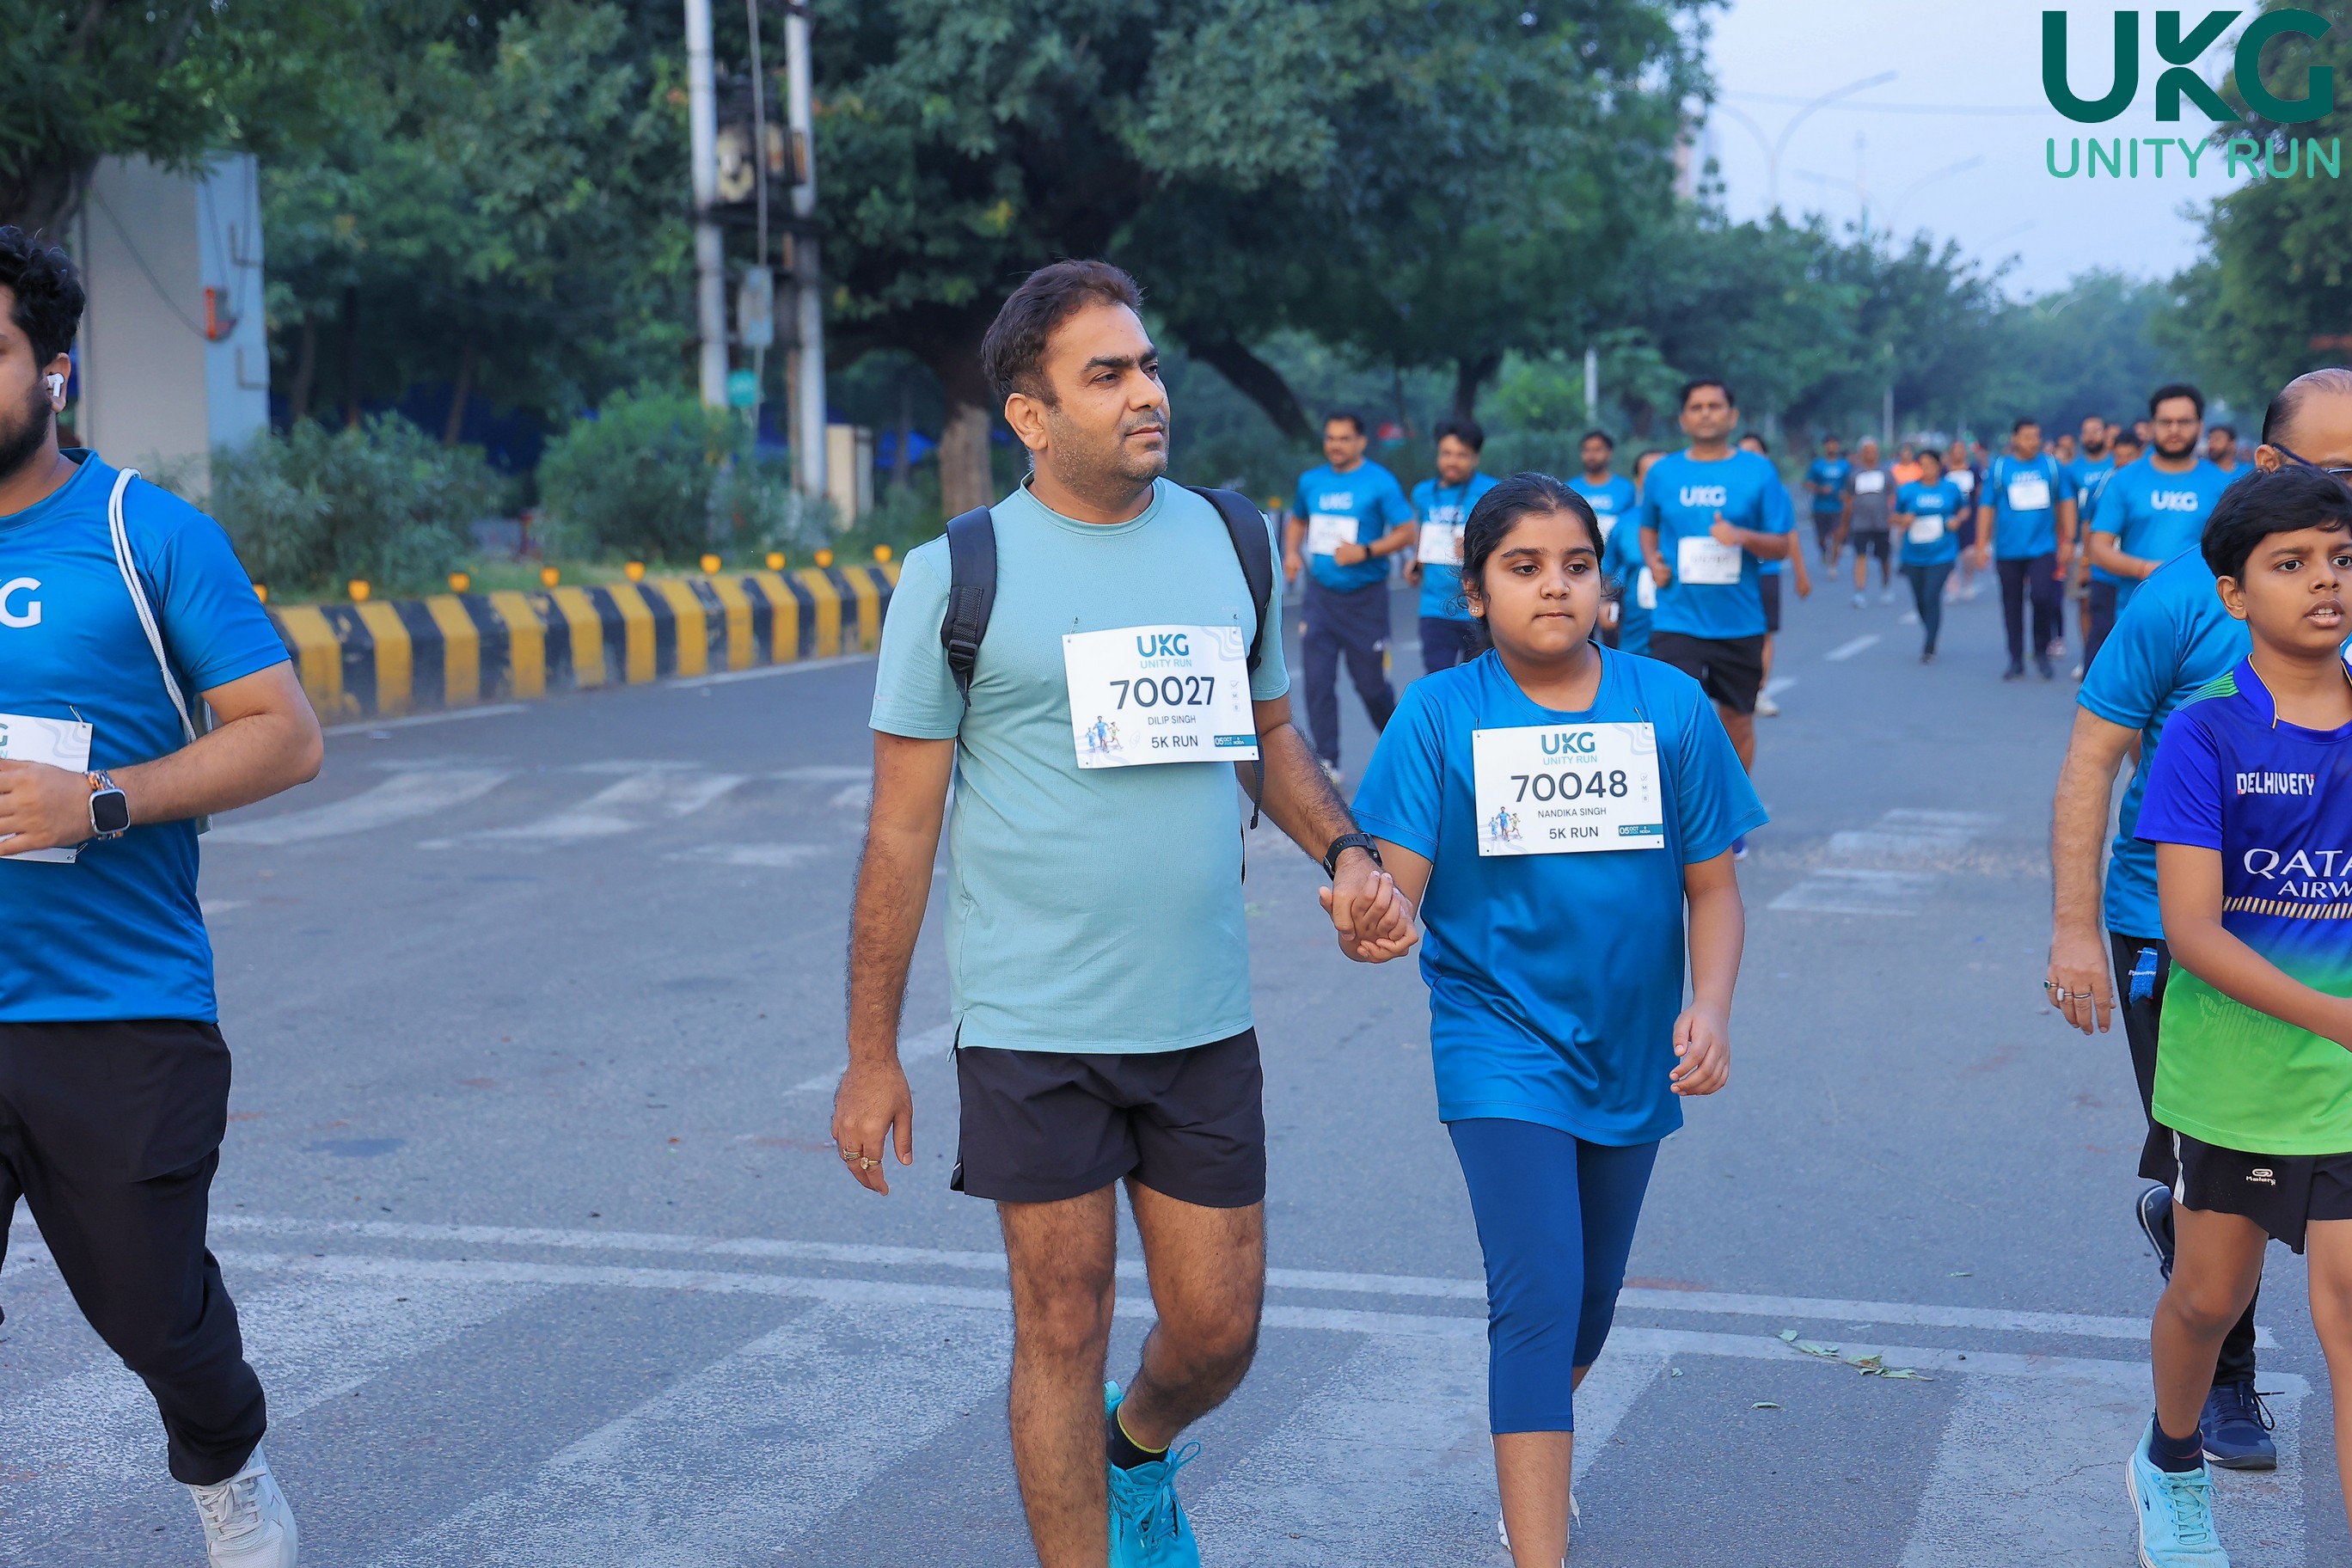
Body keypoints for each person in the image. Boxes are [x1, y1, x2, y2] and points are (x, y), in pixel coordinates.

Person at [835, 260, 1415, 1568]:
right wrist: (873, 1054)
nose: (1147, 392)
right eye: (1107, 375)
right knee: (1060, 1322)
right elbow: (901, 833)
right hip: (1033, 1022)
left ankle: (1134, 1450)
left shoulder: (1231, 540)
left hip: (1199, 1013)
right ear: (1031, 416)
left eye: (1147, 365)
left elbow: (1270, 734)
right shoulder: (959, 574)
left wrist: (1346, 853)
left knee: (1217, 1332)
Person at [1349, 474, 1758, 1568]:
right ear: (1475, 591)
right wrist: (1370, 917)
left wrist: (1711, 1007)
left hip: (1632, 1051)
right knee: (1535, 1299)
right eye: (1523, 568)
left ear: (1605, 584)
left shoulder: (1669, 705)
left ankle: (1537, 1450)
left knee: (1588, 1307)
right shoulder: (1440, 713)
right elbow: (1395, 891)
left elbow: (1714, 888)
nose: (1554, 587)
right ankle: (1538, 1542)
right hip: (1496, 1044)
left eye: (1576, 565)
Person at [0, 228, 322, 1566]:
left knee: (152, 1310)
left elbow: (283, 735)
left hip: (112, 1006)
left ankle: (228, 1464)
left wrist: (100, 801)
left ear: (52, 374)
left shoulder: (145, 535)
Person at [2045, 369, 2352, 1479]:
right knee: (2223, 1240)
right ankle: (2217, 1385)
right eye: (2338, 467)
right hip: (2182, 945)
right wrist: (2074, 930)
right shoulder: (2181, 601)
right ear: (2271, 466)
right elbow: (2093, 759)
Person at [2125, 462, 2352, 1567]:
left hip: (2346, 1085)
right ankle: (2170, 1462)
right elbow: (2195, 932)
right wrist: (2340, 1017)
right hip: (2237, 1077)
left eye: (2343, 560)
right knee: (2210, 1299)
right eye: (2292, 563)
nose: (2326, 582)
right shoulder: (2204, 733)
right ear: (2233, 592)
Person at [1637, 380, 1792, 861]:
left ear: (1732, 415)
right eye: (1696, 407)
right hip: (1677, 619)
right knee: (1669, 723)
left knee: (1738, 722)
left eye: (1714, 406)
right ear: (1683, 419)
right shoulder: (1663, 473)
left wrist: (1742, 536)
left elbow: (1781, 544)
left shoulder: (1758, 471)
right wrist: (1654, 561)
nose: (1706, 414)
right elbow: (1648, 529)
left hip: (1738, 623)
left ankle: (1728, 818)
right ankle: (1676, 816)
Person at [1285, 413, 1417, 777]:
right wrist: (1292, 552)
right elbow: (1298, 520)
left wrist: (1366, 551)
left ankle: (1405, 752)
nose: (1336, 445)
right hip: (1320, 597)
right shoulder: (1311, 481)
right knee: (1317, 682)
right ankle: (1328, 762)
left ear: (1361, 442)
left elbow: (1406, 531)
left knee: (1372, 687)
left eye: (1344, 439)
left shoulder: (1379, 481)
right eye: (1330, 438)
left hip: (1365, 600)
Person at [2090, 385, 2237, 626]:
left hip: (2205, 616)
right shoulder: (2124, 480)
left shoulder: (2223, 485)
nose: (2174, 430)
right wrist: (2144, 569)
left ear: (2200, 426)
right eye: (2166, 422)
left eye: (2184, 422)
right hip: (2138, 614)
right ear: (2152, 426)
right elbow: (2099, 549)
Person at [1973, 417, 2078, 680]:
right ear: (2015, 439)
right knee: (2012, 603)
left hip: (2043, 547)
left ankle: (2041, 652)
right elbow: (1986, 507)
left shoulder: (2052, 467)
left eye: (2037, 436)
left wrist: (2069, 540)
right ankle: (2015, 658)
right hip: (2008, 550)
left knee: (2042, 597)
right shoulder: (2000, 469)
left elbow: (2066, 502)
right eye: (2028, 437)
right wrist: (1981, 545)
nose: (2034, 442)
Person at [1407, 420, 1498, 676]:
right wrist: (1415, 562)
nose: (1452, 461)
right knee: (1437, 680)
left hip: (1478, 608)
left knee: (1479, 681)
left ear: (1475, 458)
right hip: (1434, 606)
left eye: (1461, 455)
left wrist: (1475, 549)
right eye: (1446, 453)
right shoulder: (1423, 493)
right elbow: (1422, 532)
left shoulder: (1492, 492)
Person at [1738, 432, 1807, 716]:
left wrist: (1801, 573)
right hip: (1731, 576)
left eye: (1754, 451)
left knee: (1765, 633)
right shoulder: (1726, 488)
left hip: (1766, 570)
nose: (1749, 457)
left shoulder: (1777, 491)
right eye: (1742, 452)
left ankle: (1760, 691)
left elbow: (1789, 534)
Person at [1568, 431, 1637, 651]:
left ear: (1609, 453)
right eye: (1587, 450)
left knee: (1612, 635)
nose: (1592, 455)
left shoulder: (1626, 490)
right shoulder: (1568, 489)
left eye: (1597, 450)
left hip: (1616, 578)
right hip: (1578, 571)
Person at [1892, 447, 1963, 662]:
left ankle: (1930, 644)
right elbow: (1893, 516)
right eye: (1922, 465)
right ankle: (1929, 628)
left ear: (1939, 466)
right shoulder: (1908, 491)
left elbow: (1964, 509)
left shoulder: (1950, 489)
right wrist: (1903, 520)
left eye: (1931, 465)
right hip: (1913, 554)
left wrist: (1957, 520)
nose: (1927, 469)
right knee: (1921, 599)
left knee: (1932, 595)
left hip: (1942, 552)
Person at [1603, 448, 1669, 656]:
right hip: (1635, 632)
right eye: (1650, 475)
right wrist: (1603, 603)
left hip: (1684, 629)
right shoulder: (1625, 524)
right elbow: (1606, 570)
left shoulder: (1696, 520)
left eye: (1663, 474)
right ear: (1638, 481)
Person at [1842, 437, 1898, 607]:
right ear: (1861, 453)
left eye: (1873, 451)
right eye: (1866, 451)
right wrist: (1845, 523)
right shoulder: (1854, 475)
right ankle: (1859, 592)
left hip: (1882, 523)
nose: (1870, 454)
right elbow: (1848, 498)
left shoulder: (1886, 473)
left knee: (1884, 558)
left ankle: (1886, 585)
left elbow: (1894, 495)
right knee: (1860, 556)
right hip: (1860, 523)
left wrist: (1893, 515)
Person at [1804, 433, 1853, 567]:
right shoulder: (1817, 465)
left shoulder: (1845, 465)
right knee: (1821, 538)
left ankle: (1834, 564)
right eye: (1828, 444)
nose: (1831, 446)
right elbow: (1807, 483)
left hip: (1838, 507)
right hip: (1821, 507)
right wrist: (1820, 489)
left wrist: (1846, 493)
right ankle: (1824, 550)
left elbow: (1852, 483)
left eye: (1834, 443)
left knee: (1837, 535)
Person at [1944, 438, 1981, 602]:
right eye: (1955, 451)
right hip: (1949, 515)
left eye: (1961, 451)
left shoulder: (1973, 470)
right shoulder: (1944, 472)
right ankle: (1952, 586)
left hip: (1970, 515)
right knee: (1948, 551)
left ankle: (1968, 580)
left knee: (1969, 552)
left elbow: (1979, 491)